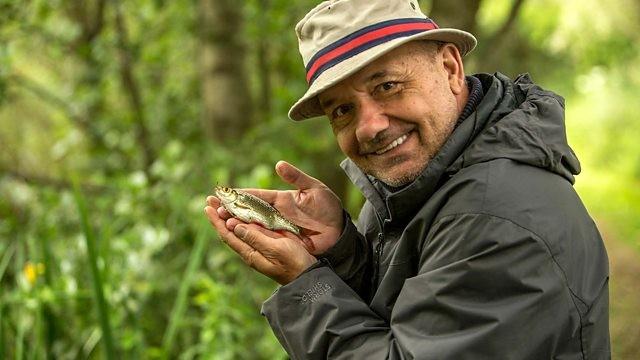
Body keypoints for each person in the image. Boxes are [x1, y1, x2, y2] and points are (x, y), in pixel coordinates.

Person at [204, 0, 611, 358]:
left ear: (450, 68)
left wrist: (305, 284)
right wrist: (344, 250)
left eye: (387, 85)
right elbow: (408, 319)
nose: (369, 126)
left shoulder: (494, 218)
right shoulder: (420, 187)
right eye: (342, 110)